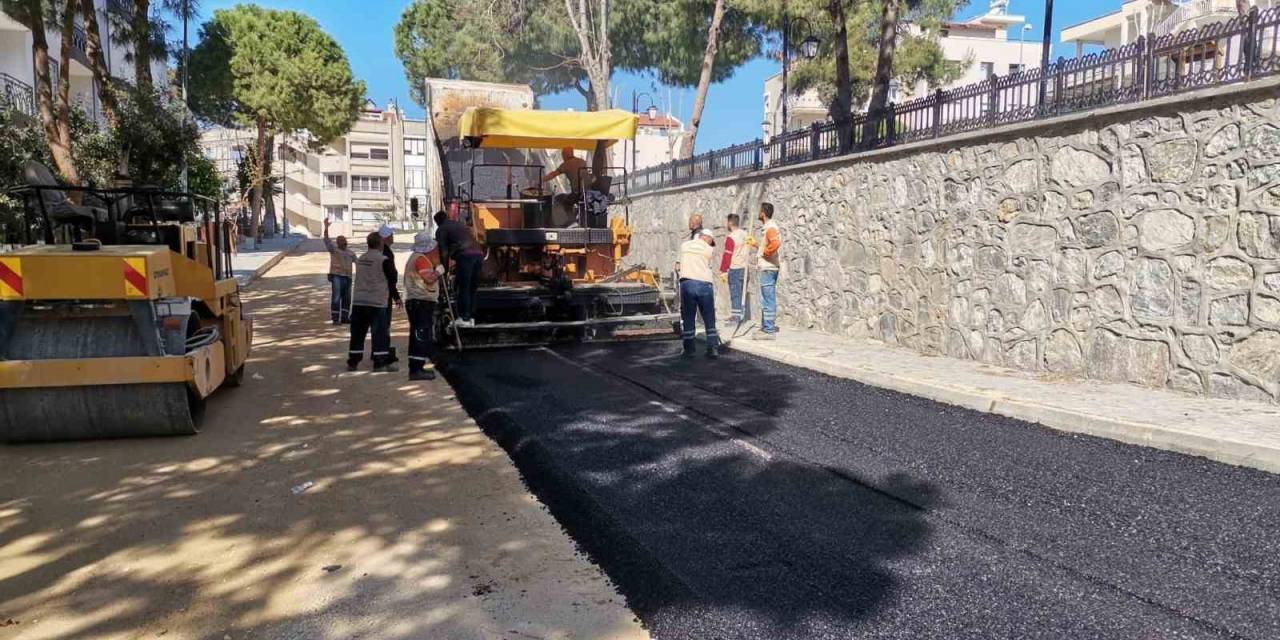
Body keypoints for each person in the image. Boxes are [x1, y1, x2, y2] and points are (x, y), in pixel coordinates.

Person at [348, 231, 400, 372]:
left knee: (357, 333)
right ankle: (380, 363)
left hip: (359, 301)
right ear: (380, 243)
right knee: (379, 333)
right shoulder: (383, 260)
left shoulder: (361, 259)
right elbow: (392, 279)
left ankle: (353, 361)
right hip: (376, 301)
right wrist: (396, 296)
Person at [434, 210, 484, 327]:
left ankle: (464, 318)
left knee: (463, 287)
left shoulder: (441, 229)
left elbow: (444, 252)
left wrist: (444, 272)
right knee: (472, 288)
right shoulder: (460, 225)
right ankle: (471, 318)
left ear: (437, 222)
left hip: (466, 257)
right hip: (479, 255)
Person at [404, 231, 442, 381]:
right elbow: (429, 279)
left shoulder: (416, 258)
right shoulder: (421, 259)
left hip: (417, 301)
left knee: (417, 335)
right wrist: (438, 271)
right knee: (420, 336)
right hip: (420, 302)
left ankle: (416, 366)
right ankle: (416, 370)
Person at [677, 225, 719, 358]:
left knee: (688, 317)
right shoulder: (709, 249)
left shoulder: (684, 245)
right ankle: (713, 348)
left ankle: (689, 350)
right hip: (704, 284)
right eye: (711, 241)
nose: (711, 244)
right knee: (709, 317)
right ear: (706, 238)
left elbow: (678, 265)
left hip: (687, 283)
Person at [747, 202, 781, 340]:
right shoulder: (768, 227)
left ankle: (769, 330)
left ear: (763, 213)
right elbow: (768, 245)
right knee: (767, 299)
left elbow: (775, 244)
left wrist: (765, 254)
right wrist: (755, 244)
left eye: (759, 210)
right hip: (769, 267)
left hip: (768, 268)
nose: (758, 213)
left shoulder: (770, 228)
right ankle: (766, 327)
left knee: (768, 299)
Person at [323, 219, 357, 324]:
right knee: (336, 297)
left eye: (343, 240)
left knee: (347, 298)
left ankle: (345, 317)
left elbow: (358, 263)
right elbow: (326, 240)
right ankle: (335, 318)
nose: (343, 241)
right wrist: (326, 227)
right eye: (340, 240)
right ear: (337, 243)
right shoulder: (334, 250)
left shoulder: (351, 253)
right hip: (337, 276)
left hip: (348, 277)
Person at [544, 148, 589, 226]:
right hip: (588, 191)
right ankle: (577, 218)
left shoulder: (566, 164)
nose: (562, 157)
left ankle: (572, 221)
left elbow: (553, 174)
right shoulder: (583, 162)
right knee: (570, 199)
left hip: (577, 193)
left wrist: (542, 179)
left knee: (564, 202)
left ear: (566, 155)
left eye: (562, 155)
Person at [719, 213, 749, 325]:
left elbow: (727, 255)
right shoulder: (745, 234)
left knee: (735, 293)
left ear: (730, 223)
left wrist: (723, 270)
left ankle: (736, 318)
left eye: (727, 222)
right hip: (744, 267)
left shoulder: (731, 237)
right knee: (741, 293)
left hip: (735, 268)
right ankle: (738, 315)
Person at [378, 225, 400, 360]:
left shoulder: (377, 251)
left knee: (379, 325)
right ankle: (383, 353)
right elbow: (390, 276)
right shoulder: (386, 253)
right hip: (384, 294)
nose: (393, 237)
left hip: (376, 293)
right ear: (386, 237)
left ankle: (379, 351)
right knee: (383, 324)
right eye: (391, 235)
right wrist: (396, 296)